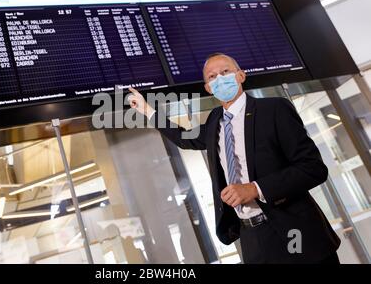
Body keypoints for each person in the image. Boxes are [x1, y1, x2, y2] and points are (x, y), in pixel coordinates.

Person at [128, 53, 341, 264]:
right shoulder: (214, 122)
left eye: (225, 72)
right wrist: (147, 110)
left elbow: (313, 168)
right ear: (208, 88)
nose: (219, 79)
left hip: (294, 228)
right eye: (212, 77)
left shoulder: (274, 109)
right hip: (253, 239)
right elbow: (185, 138)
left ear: (240, 76)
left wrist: (255, 189)